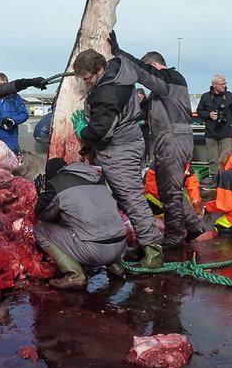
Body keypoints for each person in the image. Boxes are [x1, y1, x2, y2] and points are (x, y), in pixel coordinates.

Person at [108, 31, 212, 250]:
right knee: (170, 188)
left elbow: (142, 72)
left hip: (173, 139)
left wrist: (119, 53)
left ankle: (175, 235)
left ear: (155, 66)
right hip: (174, 139)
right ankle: (193, 225)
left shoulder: (169, 79)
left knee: (170, 191)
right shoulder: (165, 90)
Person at [69, 47, 165, 267]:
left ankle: (153, 249)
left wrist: (83, 130)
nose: (85, 83)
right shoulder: (120, 73)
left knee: (131, 197)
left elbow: (100, 132)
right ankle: (145, 241)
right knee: (126, 197)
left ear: (100, 69)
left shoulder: (107, 94)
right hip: (129, 141)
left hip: (120, 149)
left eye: (87, 79)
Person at [33, 158, 128, 289]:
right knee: (96, 225)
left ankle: (75, 274)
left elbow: (43, 215)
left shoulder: (58, 183)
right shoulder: (97, 179)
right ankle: (115, 266)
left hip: (96, 251)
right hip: (121, 246)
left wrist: (42, 194)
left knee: (39, 229)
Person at [196, 74, 232, 185]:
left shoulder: (229, 96)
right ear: (214, 85)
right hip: (211, 132)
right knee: (212, 158)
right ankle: (215, 180)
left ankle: (224, 181)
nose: (224, 86)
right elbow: (199, 111)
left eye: (225, 83)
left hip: (226, 132)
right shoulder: (206, 96)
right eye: (222, 84)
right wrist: (209, 115)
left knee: (225, 158)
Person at [137, 88, 151, 163]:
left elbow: (150, 118)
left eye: (139, 97)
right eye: (137, 98)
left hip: (145, 131)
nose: (138, 99)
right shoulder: (134, 104)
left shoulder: (147, 104)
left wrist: (144, 121)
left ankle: (146, 162)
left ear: (143, 96)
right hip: (135, 131)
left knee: (145, 149)